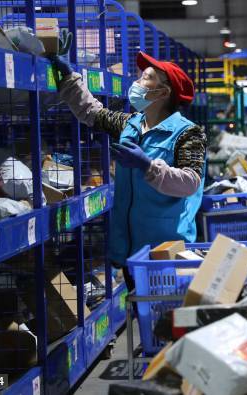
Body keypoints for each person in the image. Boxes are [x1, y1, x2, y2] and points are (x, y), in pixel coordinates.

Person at [49, 34, 206, 291]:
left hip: (166, 248)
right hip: (130, 248)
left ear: (163, 92)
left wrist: (148, 166)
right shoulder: (130, 124)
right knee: (143, 315)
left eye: (147, 77)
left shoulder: (188, 133)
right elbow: (93, 112)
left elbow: (190, 182)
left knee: (166, 316)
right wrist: (68, 75)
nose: (138, 81)